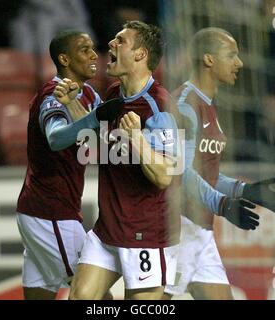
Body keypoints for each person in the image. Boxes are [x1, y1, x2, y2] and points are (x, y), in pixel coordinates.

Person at [163, 27, 275, 300]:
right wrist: (222, 204)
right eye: (232, 55)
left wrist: (243, 190)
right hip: (178, 228)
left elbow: (205, 172)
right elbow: (181, 173)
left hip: (202, 230)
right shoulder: (184, 105)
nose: (239, 63)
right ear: (209, 59)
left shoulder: (208, 103)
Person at [60, 20, 180, 300]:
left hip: (145, 236)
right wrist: (71, 104)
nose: (110, 44)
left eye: (120, 41)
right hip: (108, 231)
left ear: (140, 55)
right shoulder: (114, 94)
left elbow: (164, 176)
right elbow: (92, 134)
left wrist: (136, 139)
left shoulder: (159, 105)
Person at [16, 30, 122, 300]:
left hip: (45, 211)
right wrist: (92, 120)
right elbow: (55, 138)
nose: (93, 55)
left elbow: (100, 141)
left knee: (40, 295)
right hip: (50, 212)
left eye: (92, 48)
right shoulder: (53, 94)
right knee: (96, 296)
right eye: (84, 49)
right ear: (64, 58)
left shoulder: (88, 93)